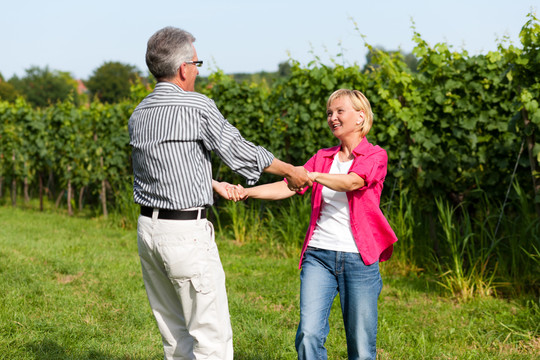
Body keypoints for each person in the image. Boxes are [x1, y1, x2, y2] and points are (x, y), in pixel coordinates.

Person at [128, 26, 311, 360]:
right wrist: (290, 171)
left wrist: (209, 183)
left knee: (175, 336)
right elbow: (237, 150)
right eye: (197, 63)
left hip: (149, 232)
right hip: (185, 234)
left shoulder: (140, 113)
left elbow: (162, 166)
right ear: (183, 68)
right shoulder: (196, 107)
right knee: (211, 337)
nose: (198, 71)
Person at [228, 89, 398, 360]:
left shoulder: (375, 156)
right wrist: (248, 192)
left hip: (360, 260)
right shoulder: (323, 156)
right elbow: (288, 185)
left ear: (360, 117)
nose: (332, 117)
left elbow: (353, 182)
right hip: (318, 255)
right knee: (308, 334)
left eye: (340, 111)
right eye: (329, 113)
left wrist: (313, 175)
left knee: (362, 345)